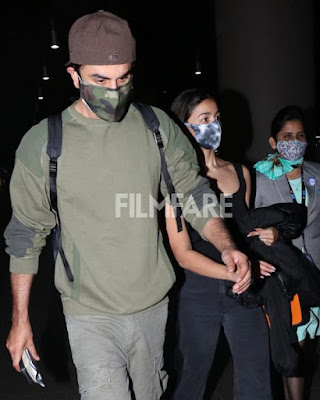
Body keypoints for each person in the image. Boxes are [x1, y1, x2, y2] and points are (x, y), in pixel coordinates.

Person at [4, 10, 251, 400]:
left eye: (123, 78)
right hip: (89, 311)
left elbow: (192, 191)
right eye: (100, 80)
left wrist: (226, 244)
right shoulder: (44, 143)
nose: (114, 91)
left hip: (153, 306)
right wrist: (21, 319)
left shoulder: (156, 126)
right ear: (74, 75)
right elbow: (25, 234)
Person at [167, 87, 276, 400]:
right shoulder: (174, 181)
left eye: (216, 118)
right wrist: (235, 271)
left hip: (243, 286)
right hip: (197, 291)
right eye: (204, 119)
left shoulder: (240, 172)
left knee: (257, 378)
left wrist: (266, 238)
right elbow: (183, 254)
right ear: (184, 128)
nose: (214, 125)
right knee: (191, 378)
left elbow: (243, 229)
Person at [254, 104, 320, 400]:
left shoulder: (317, 174)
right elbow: (249, 226)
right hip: (285, 276)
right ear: (274, 142)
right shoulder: (259, 179)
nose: (294, 142)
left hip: (316, 273)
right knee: (293, 344)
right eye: (287, 136)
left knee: (304, 346)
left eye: (300, 135)